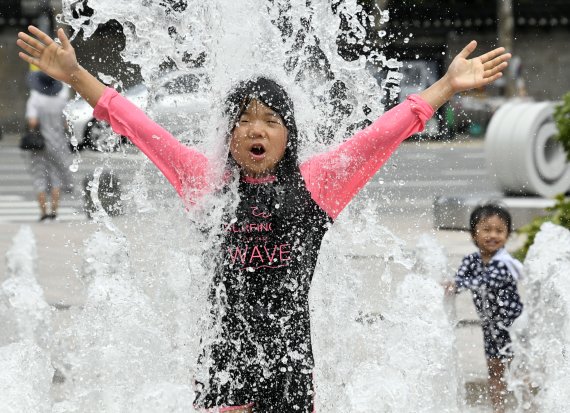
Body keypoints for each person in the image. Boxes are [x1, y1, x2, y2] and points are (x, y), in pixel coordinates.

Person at [17, 25, 511, 412]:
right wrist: (76, 76)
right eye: (245, 119)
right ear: (229, 133)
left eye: (270, 120)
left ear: (287, 134)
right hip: (224, 363)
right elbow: (137, 124)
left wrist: (446, 85)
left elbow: (382, 135)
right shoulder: (205, 181)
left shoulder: (319, 182)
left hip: (292, 366)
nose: (256, 129)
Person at [444, 204, 523, 413]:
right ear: (474, 234)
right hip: (490, 327)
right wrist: (450, 286)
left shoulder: (504, 263)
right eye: (486, 230)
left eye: (499, 230)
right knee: (494, 369)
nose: (493, 235)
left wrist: (459, 286)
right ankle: (498, 408)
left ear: (507, 234)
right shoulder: (471, 260)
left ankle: (530, 405)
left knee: (519, 368)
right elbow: (460, 278)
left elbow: (487, 282)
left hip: (513, 326)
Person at [24, 68, 73, 221]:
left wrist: (34, 128)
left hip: (40, 145)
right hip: (57, 142)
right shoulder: (61, 99)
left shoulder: (35, 99)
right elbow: (65, 124)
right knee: (55, 176)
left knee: (39, 176)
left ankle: (43, 212)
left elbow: (32, 121)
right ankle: (54, 211)